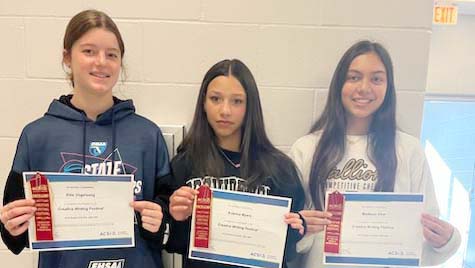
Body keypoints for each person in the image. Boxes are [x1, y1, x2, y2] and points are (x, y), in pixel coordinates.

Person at [0, 9, 170, 268]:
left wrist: (159, 224)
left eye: (111, 54)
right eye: (89, 51)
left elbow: (169, 226)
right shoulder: (36, 136)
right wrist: (13, 227)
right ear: (67, 57)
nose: (101, 62)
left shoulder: (148, 135)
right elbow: (15, 239)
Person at [289, 40, 461, 267]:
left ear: (388, 88)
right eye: (354, 77)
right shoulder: (306, 148)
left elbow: (422, 244)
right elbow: (289, 242)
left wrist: (448, 241)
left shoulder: (409, 151)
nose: (364, 88)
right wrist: (302, 231)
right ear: (339, 84)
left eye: (377, 79)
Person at [163, 59, 305, 268]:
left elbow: (288, 251)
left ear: (250, 106)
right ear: (203, 103)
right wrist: (178, 218)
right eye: (215, 99)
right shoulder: (184, 164)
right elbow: (174, 244)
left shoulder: (280, 169)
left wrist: (298, 227)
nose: (225, 110)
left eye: (237, 101)